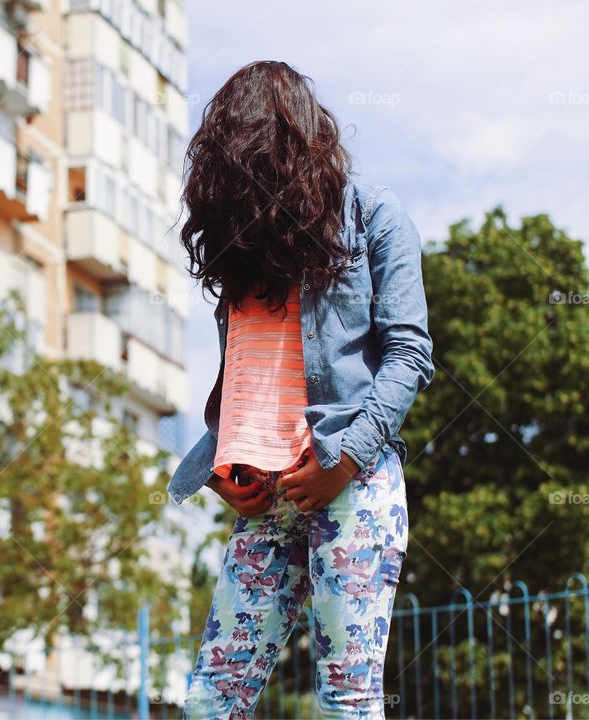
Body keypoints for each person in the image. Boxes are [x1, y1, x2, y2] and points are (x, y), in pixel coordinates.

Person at [167, 60, 435, 719]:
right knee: (209, 701)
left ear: (292, 147)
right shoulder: (246, 248)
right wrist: (224, 465)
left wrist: (343, 461)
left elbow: (409, 354)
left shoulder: (374, 217)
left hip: (351, 485)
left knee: (345, 701)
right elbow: (250, 381)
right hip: (266, 503)